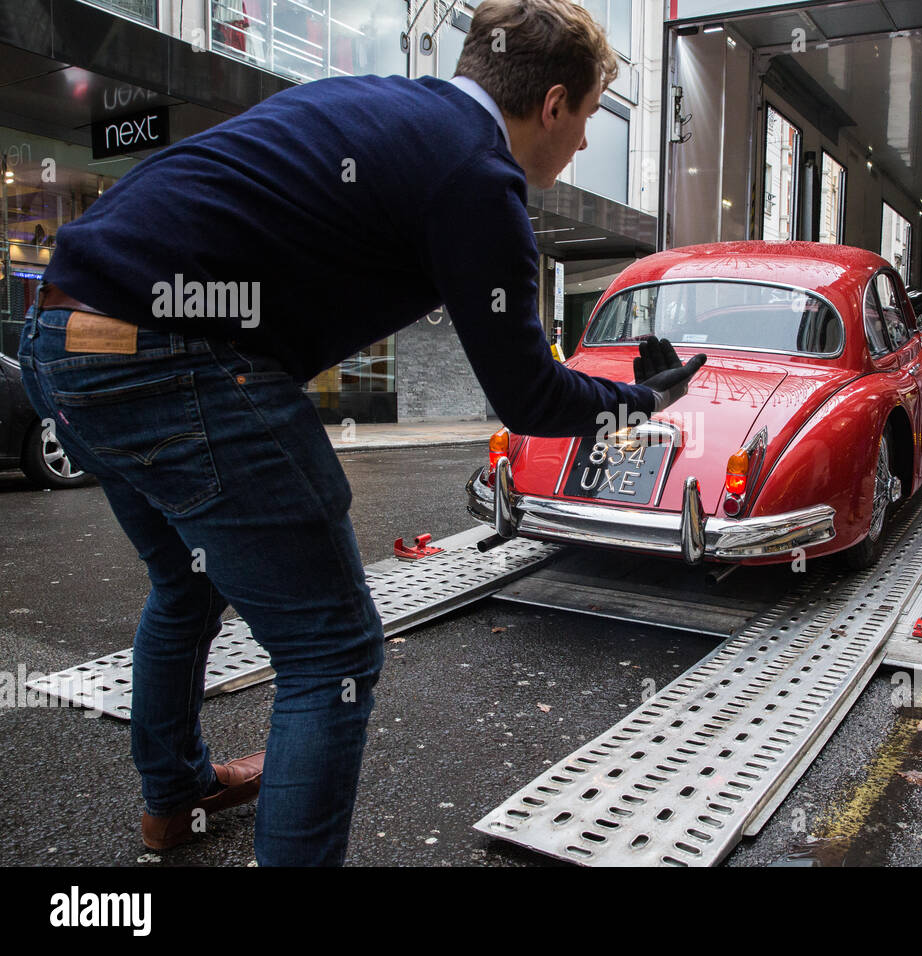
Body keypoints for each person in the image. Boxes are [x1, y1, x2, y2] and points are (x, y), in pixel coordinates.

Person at [17, 0, 704, 865]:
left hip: (60, 341)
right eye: (588, 120)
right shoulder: (477, 177)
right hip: (170, 360)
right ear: (556, 103)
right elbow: (527, 398)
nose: (576, 150)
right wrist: (637, 402)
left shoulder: (377, 104)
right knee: (330, 646)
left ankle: (176, 798)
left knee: (186, 586)